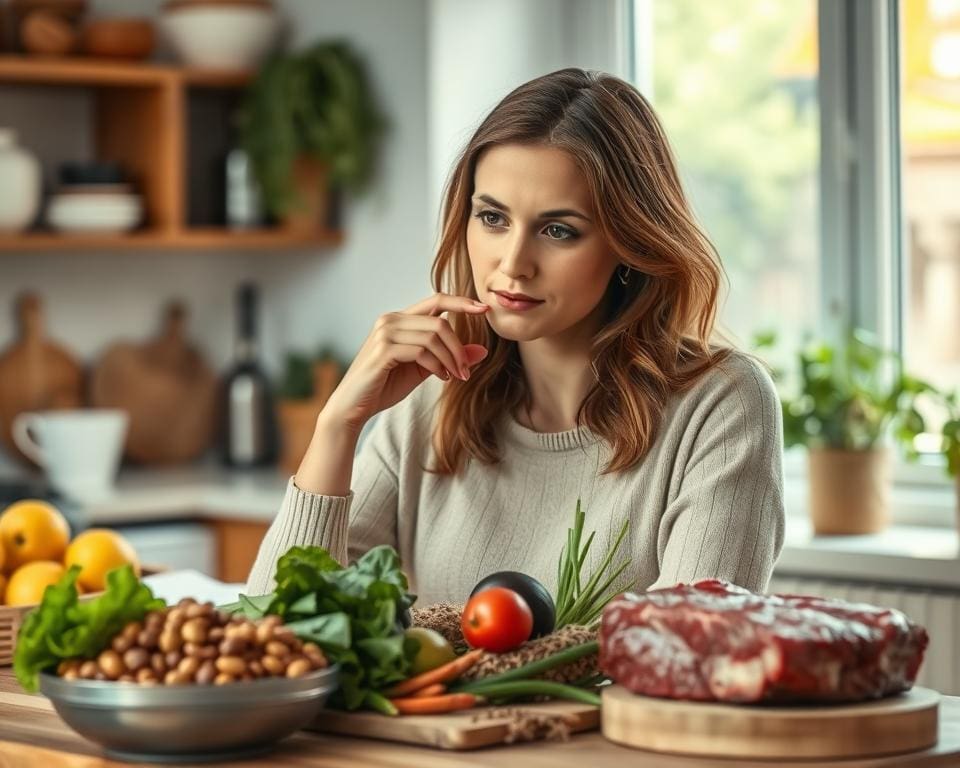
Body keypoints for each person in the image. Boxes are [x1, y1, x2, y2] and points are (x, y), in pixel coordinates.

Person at [246, 68, 784, 605]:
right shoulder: (432, 401)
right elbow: (268, 636)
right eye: (493, 218)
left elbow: (690, 656)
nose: (513, 264)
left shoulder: (721, 404)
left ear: (628, 242)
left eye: (558, 230)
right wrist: (338, 423)